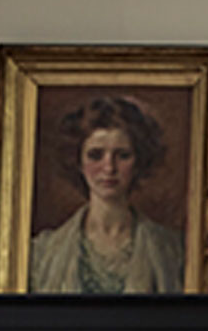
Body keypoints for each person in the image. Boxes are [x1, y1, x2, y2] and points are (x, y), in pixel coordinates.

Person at [27, 94, 187, 295]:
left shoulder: (173, 250)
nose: (109, 168)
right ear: (78, 162)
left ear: (139, 162)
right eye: (95, 155)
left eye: (122, 155)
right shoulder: (43, 252)